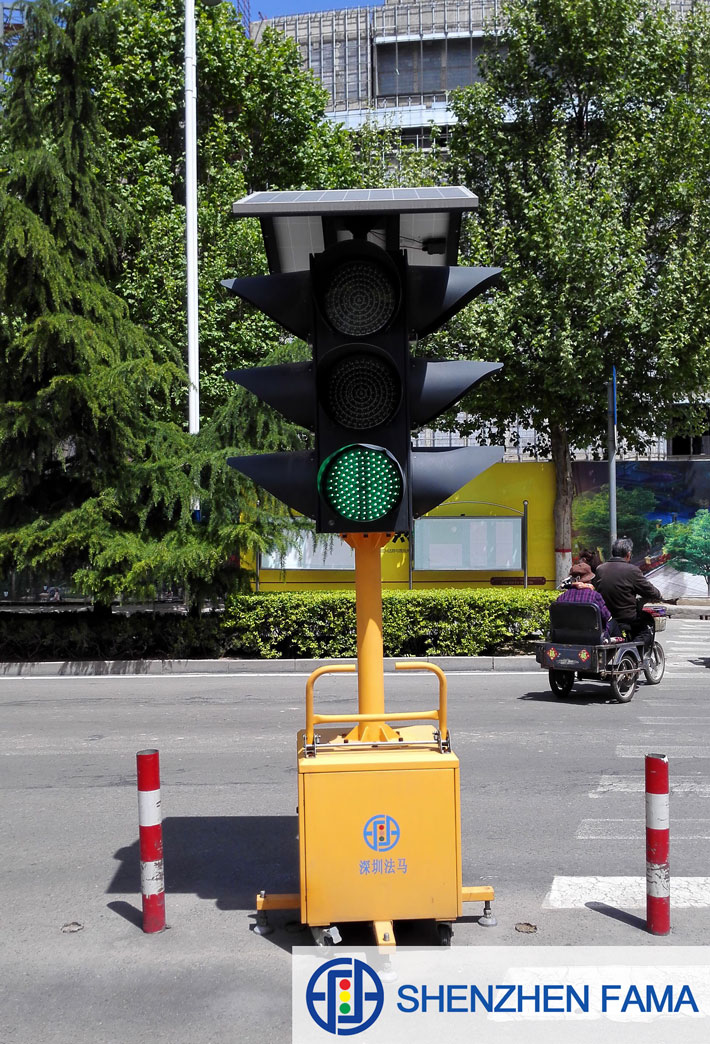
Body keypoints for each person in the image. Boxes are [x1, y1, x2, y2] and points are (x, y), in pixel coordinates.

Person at [593, 537, 662, 652]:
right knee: (647, 625)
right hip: (627, 618)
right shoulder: (632, 570)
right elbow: (649, 590)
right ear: (628, 554)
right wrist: (658, 595)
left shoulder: (600, 569)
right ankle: (634, 653)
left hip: (605, 617)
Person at [557, 561, 619, 639]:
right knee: (613, 622)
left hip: (566, 637)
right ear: (589, 580)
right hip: (592, 637)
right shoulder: (594, 596)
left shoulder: (561, 598)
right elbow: (607, 617)